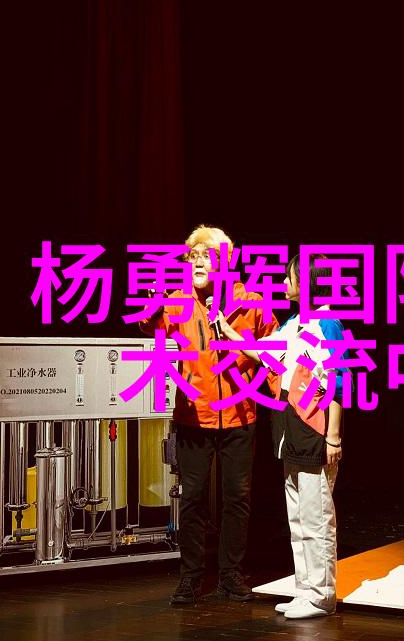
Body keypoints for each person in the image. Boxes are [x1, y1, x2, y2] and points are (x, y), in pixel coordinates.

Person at [139, 225, 278, 605]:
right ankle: (190, 577)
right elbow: (150, 324)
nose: (197, 263)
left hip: (240, 415)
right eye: (193, 256)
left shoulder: (251, 302)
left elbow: (274, 349)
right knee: (193, 498)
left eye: (206, 256)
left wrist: (275, 390)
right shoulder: (178, 300)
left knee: (237, 498)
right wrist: (153, 303)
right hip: (194, 416)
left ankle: (231, 575)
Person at [217, 253, 348, 619]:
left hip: (315, 429)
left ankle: (322, 596)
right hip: (290, 429)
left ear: (308, 283)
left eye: (290, 277)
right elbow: (265, 353)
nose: (285, 283)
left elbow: (338, 382)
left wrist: (334, 437)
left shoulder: (328, 324)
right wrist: (229, 332)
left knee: (316, 517)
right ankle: (305, 590)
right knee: (298, 518)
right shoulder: (294, 324)